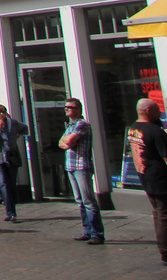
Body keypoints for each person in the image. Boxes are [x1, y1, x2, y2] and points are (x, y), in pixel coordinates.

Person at [129, 98, 167, 267]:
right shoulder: (155, 131)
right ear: (148, 111)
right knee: (166, 214)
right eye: (156, 110)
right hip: (160, 179)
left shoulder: (134, 128)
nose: (160, 113)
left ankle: (164, 247)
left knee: (159, 213)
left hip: (146, 177)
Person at [59, 97, 104, 245]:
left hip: (81, 166)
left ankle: (97, 233)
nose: (67, 109)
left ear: (78, 109)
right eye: (66, 107)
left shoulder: (82, 124)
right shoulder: (70, 126)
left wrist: (67, 142)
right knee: (80, 201)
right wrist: (66, 142)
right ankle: (87, 231)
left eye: (70, 107)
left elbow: (69, 141)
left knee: (88, 201)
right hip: (70, 166)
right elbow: (61, 143)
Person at [0, 104, 27, 223]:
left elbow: (25, 128)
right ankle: (10, 212)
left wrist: (16, 138)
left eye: (2, 112)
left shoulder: (12, 123)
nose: (0, 115)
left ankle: (12, 210)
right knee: (3, 183)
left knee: (12, 184)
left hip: (11, 157)